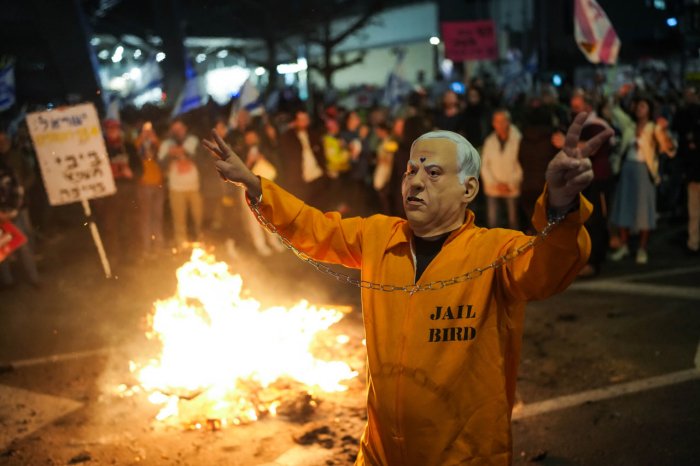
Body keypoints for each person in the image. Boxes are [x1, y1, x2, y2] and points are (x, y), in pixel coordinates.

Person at [204, 112, 611, 465]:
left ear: (468, 190)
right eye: (410, 171)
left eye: (433, 173)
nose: (415, 182)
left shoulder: (495, 250)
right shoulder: (379, 236)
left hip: (463, 456)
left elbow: (548, 269)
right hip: (381, 454)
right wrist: (255, 186)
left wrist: (560, 207)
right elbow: (314, 228)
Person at [610, 95, 676, 264]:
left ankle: (642, 248)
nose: (640, 109)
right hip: (628, 168)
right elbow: (615, 110)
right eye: (638, 106)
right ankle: (624, 245)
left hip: (644, 171)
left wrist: (665, 131)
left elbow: (670, 149)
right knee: (624, 207)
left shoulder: (654, 128)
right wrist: (621, 94)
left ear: (649, 110)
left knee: (644, 210)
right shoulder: (630, 126)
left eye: (643, 106)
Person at [158, 119, 203, 250]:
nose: (178, 131)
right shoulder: (166, 144)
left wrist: (184, 156)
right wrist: (172, 155)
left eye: (180, 128)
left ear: (185, 128)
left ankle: (202, 241)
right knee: (179, 219)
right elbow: (161, 163)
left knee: (199, 216)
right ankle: (182, 245)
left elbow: (200, 157)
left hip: (194, 186)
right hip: (176, 187)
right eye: (175, 129)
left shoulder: (193, 140)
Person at [480, 109, 523, 230]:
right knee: (493, 221)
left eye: (502, 121)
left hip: (511, 187)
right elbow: (484, 165)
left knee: (513, 221)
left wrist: (511, 183)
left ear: (508, 122)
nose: (499, 124)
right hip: (493, 187)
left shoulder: (518, 140)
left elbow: (521, 164)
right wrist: (494, 183)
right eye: (496, 121)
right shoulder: (489, 141)